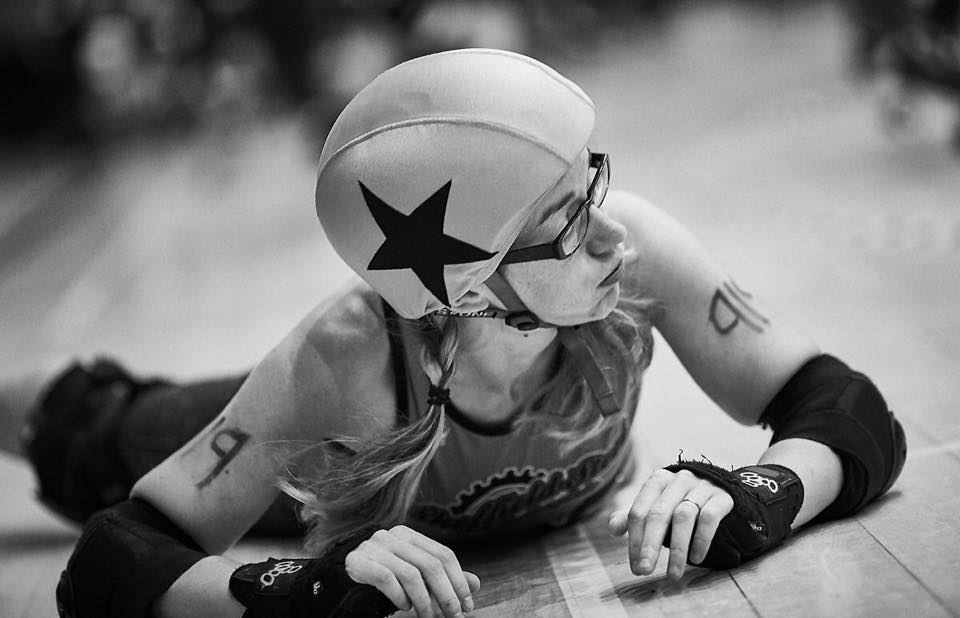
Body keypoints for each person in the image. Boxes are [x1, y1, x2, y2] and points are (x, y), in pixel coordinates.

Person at [15, 48, 905, 618]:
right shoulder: (340, 358)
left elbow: (847, 409)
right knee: (88, 422)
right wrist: (302, 590)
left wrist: (761, 490)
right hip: (301, 464)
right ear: (471, 286)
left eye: (588, 187)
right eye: (566, 222)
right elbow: (111, 565)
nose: (614, 235)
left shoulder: (630, 263)